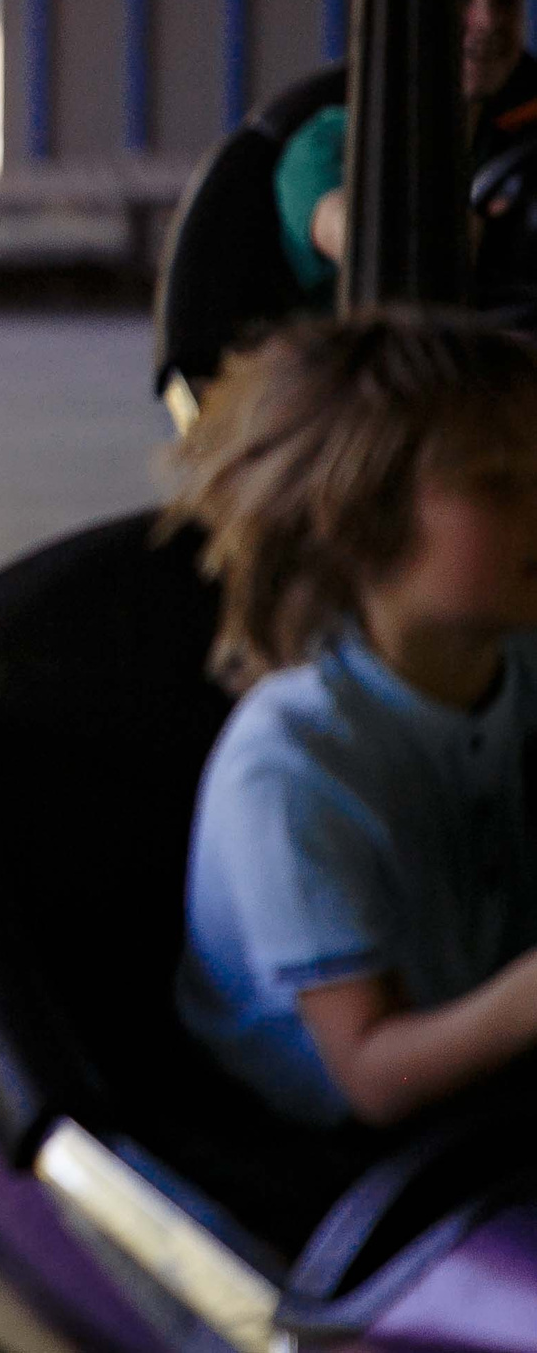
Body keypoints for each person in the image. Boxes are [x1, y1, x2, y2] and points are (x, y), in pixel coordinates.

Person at [167, 311, 537, 1128]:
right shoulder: (293, 765)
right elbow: (371, 1072)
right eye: (498, 482)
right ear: (361, 521)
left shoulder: (518, 668)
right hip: (330, 1166)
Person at [277, 0, 537, 303]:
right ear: (405, 11)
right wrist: (492, 236)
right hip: (382, 360)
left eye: (506, 2)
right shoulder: (330, 147)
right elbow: (381, 252)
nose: (489, 23)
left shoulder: (521, 131)